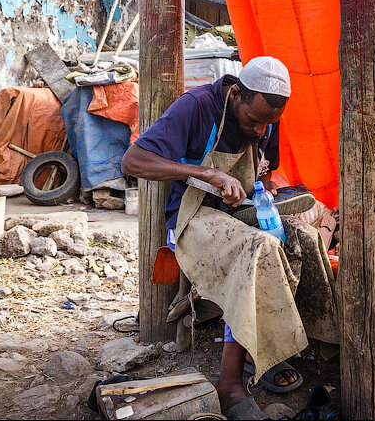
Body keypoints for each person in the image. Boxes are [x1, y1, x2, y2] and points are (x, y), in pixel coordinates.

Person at [122, 57, 335, 419]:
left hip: (240, 209)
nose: (258, 131)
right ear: (236, 94)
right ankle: (229, 384)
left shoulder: (266, 120)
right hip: (193, 215)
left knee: (305, 239)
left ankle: (295, 346)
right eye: (253, 121)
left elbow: (264, 173)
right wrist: (208, 174)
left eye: (268, 124)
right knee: (258, 250)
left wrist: (267, 197)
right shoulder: (198, 106)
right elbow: (133, 161)